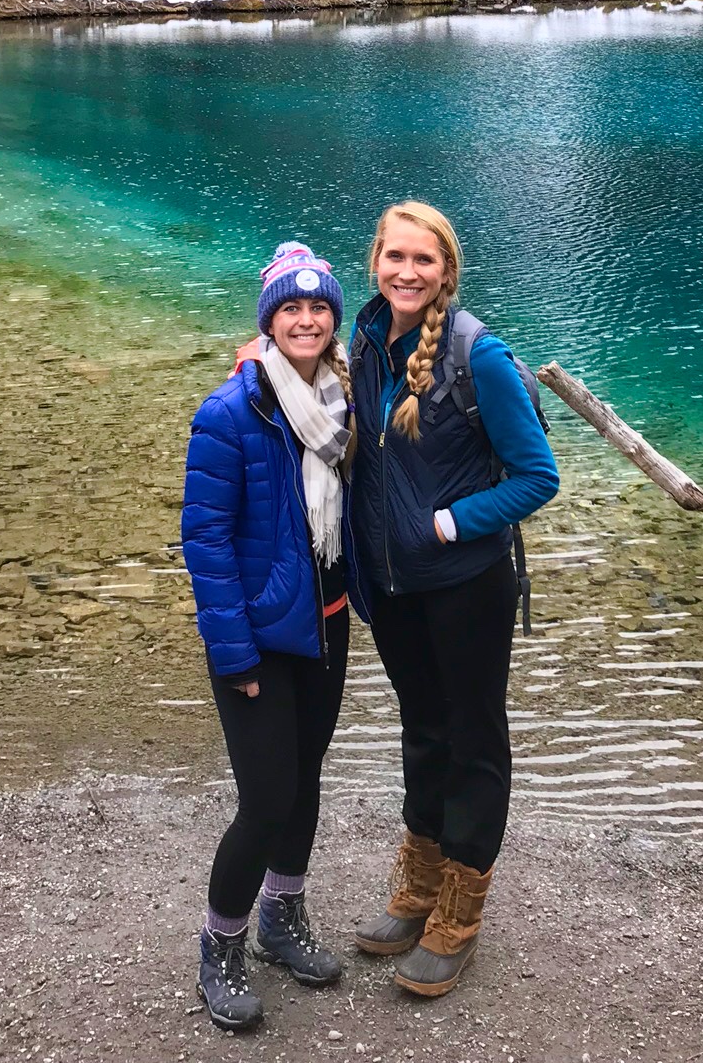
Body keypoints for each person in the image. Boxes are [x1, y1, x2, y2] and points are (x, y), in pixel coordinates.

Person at [347, 200, 559, 998]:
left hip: (467, 584)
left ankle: (460, 909)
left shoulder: (482, 357)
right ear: (376, 262)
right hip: (394, 588)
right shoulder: (366, 344)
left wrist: (449, 523)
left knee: (472, 738)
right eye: (394, 257)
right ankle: (419, 882)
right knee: (421, 729)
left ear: (446, 271)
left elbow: (538, 476)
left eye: (423, 260)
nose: (406, 272)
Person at [181, 241, 356, 1033]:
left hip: (326, 624)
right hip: (258, 638)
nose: (308, 319)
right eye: (292, 307)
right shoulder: (231, 412)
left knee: (306, 780)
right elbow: (206, 541)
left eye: (319, 308)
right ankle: (221, 945)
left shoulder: (345, 402)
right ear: (269, 321)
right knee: (265, 798)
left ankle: (283, 919)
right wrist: (234, 652)